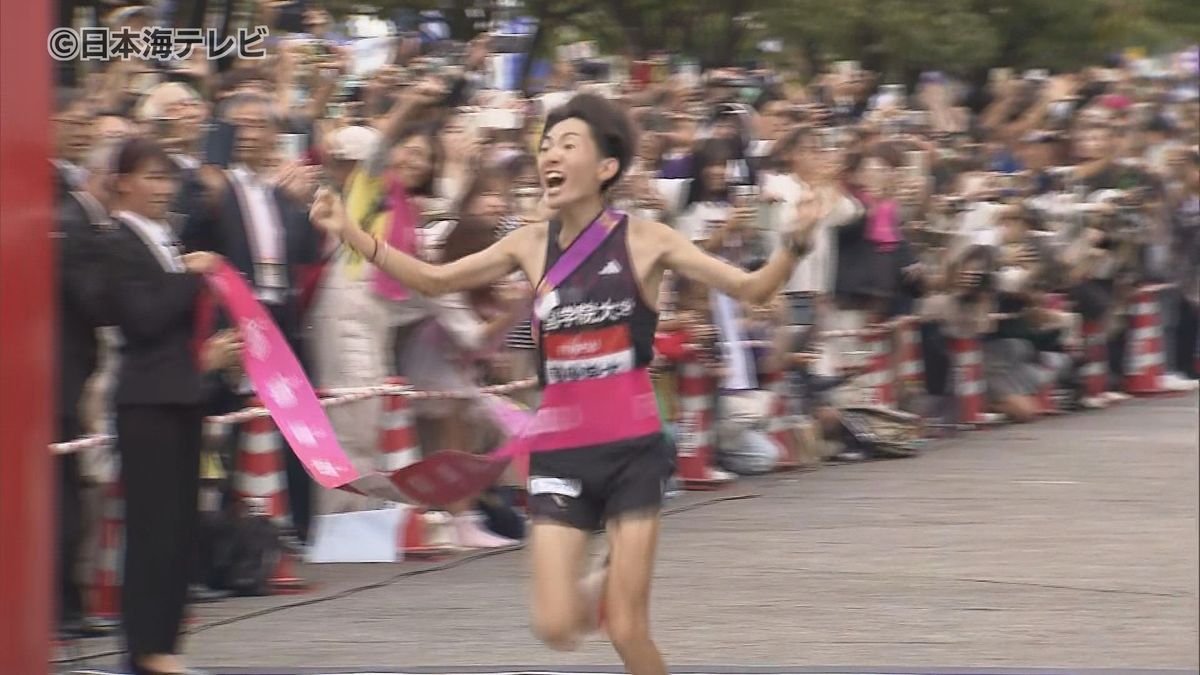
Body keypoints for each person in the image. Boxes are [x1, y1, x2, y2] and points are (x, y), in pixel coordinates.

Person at [311, 92, 826, 675]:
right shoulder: (529, 243)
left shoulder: (647, 239)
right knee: (557, 627)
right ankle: (608, 578)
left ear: (606, 167)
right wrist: (351, 231)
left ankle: (619, 586)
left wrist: (796, 244)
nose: (550, 155)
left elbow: (753, 290)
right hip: (561, 453)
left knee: (628, 628)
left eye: (568, 144)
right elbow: (433, 281)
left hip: (634, 449)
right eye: (546, 145)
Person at [103, 137, 240, 675]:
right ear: (122, 183)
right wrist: (191, 276)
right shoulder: (115, 240)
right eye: (151, 177)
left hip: (182, 397)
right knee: (152, 531)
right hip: (146, 403)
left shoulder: (168, 241)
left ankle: (166, 643)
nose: (163, 188)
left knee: (181, 528)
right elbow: (144, 318)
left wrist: (213, 356)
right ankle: (145, 648)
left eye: (167, 178)